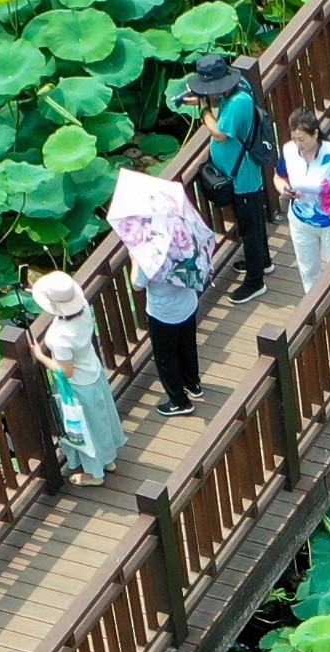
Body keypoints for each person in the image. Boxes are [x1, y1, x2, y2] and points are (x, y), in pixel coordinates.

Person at [110, 165, 215, 416]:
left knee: (166, 357)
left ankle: (179, 401)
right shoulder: (183, 229)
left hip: (163, 312)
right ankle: (193, 384)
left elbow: (137, 283)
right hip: (188, 303)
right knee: (187, 345)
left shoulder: (149, 247)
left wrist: (135, 255)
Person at [188, 53, 274, 303]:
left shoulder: (237, 102)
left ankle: (255, 282)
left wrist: (204, 109)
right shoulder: (239, 87)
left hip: (243, 177)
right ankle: (262, 261)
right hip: (241, 173)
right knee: (254, 223)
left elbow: (219, 133)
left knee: (250, 228)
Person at [29, 270, 127, 481]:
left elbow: (66, 371)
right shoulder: (82, 309)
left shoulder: (61, 336)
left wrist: (40, 356)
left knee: (86, 426)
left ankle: (94, 474)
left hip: (79, 386)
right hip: (93, 372)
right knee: (101, 419)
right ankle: (107, 459)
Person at [282, 110, 330, 296]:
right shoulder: (289, 151)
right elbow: (278, 176)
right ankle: (315, 308)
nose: (298, 144)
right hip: (300, 220)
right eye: (294, 138)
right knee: (308, 271)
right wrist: (284, 188)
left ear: (315, 134)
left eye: (302, 139)